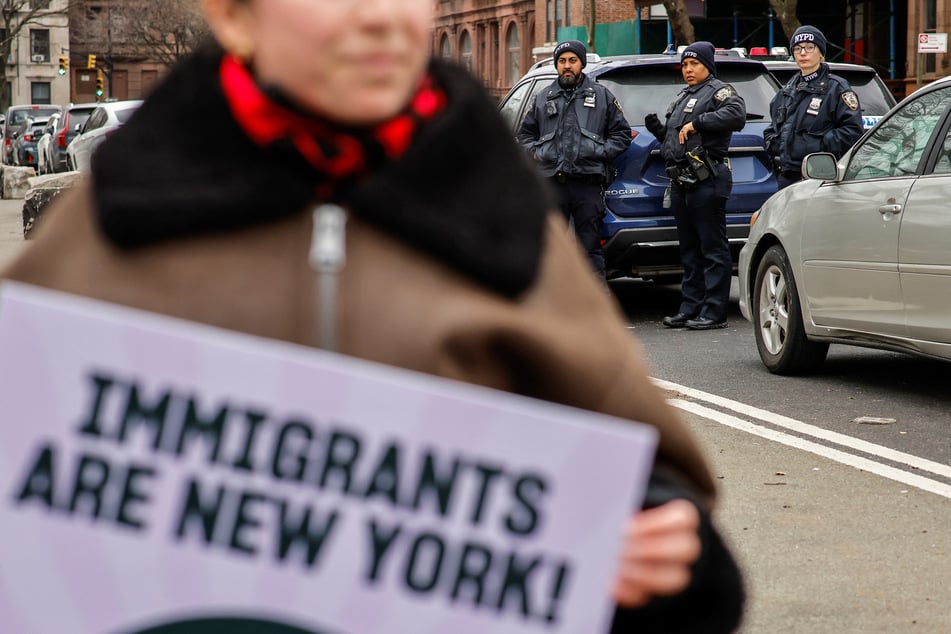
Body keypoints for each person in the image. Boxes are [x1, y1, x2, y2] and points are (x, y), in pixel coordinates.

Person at [1, 0, 743, 630]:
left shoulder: (500, 217)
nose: (381, 16)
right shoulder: (115, 222)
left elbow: (656, 499)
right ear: (232, 14)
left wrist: (647, 548)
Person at [645, 42, 746, 331]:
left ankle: (714, 312)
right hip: (681, 181)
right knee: (689, 250)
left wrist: (698, 122)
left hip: (707, 179)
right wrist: (660, 131)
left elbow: (736, 116)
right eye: (685, 66)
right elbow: (676, 142)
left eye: (694, 65)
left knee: (712, 249)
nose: (688, 70)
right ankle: (690, 308)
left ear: (707, 66)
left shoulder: (719, 91)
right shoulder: (683, 96)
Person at [517, 39, 631, 280]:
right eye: (562, 61)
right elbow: (525, 134)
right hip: (550, 183)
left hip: (587, 184)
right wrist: (536, 152)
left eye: (572, 60)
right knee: (550, 247)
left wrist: (599, 150)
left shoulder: (601, 96)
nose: (567, 66)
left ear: (581, 64)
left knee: (589, 248)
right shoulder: (543, 97)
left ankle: (593, 308)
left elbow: (622, 135)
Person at [764, 25, 864, 189]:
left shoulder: (836, 88)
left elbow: (852, 132)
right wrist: (777, 146)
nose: (803, 53)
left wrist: (814, 145)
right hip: (787, 176)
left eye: (809, 47)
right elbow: (772, 131)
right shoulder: (786, 92)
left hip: (820, 177)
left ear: (821, 54)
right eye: (797, 48)